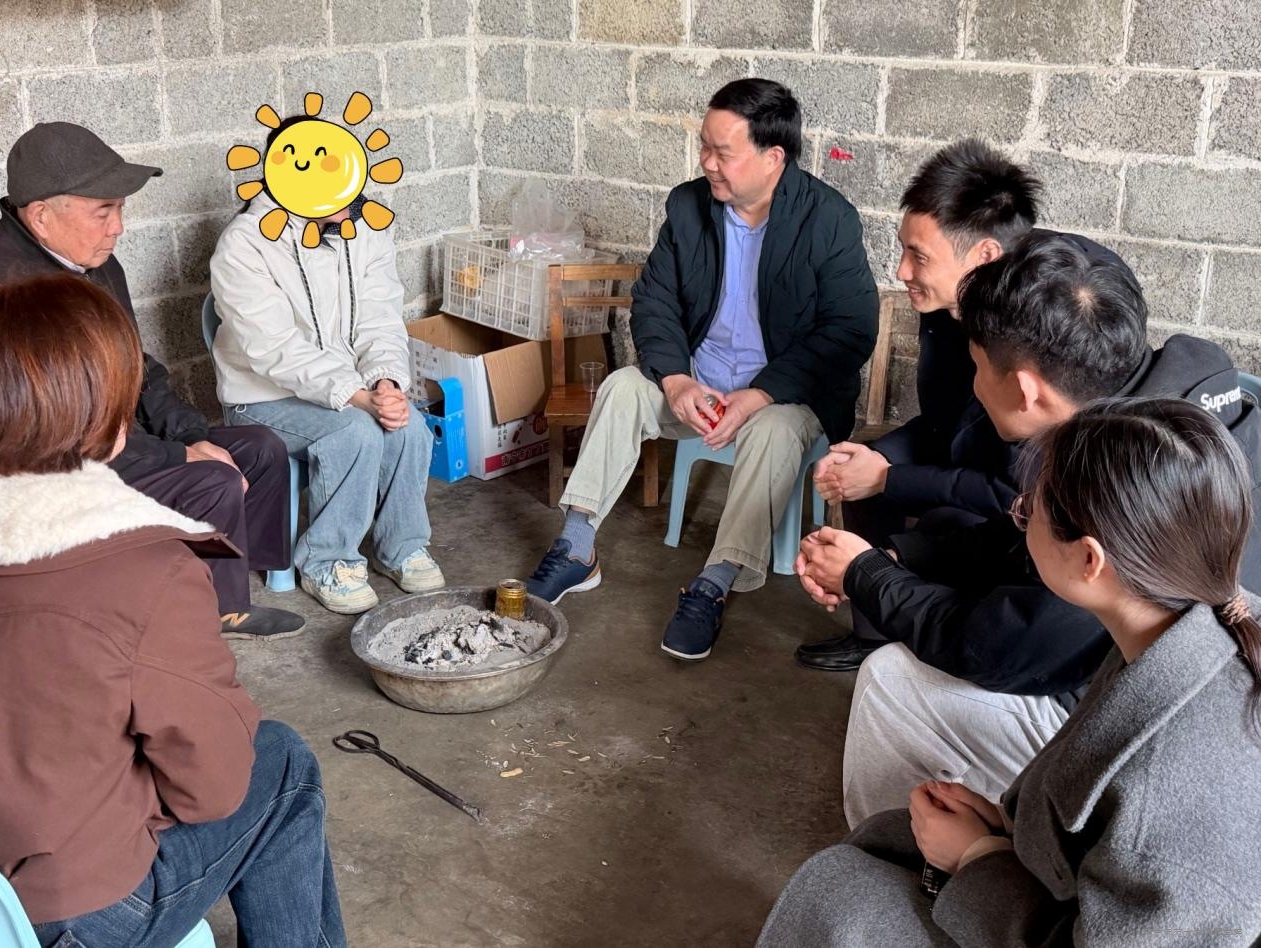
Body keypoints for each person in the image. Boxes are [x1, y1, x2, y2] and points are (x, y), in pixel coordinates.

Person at [0, 275, 345, 947]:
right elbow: (213, 789)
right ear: (111, 424)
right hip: (66, 916)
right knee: (281, 761)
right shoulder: (146, 571)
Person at [797, 233, 1261, 828]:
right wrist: (894, 559)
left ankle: (897, 853)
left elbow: (1001, 648)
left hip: (1149, 750)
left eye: (977, 367)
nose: (973, 385)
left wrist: (868, 576)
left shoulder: (1123, 497)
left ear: (1024, 390)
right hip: (1169, 682)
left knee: (889, 679)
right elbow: (1021, 534)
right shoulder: (1162, 418)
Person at [758, 398, 1261, 946]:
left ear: (1089, 560)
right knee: (883, 843)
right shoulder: (1187, 621)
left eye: (1027, 512)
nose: (1018, 520)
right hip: (1062, 887)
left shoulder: (1173, 797)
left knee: (838, 895)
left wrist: (979, 858)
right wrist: (1009, 833)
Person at [523, 78, 879, 660]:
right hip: (700, 386)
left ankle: (715, 581)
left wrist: (760, 394)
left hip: (783, 398)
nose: (707, 163)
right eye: (704, 148)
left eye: (722, 152)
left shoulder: (828, 219)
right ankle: (576, 546)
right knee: (622, 387)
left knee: (774, 430)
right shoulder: (688, 206)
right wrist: (676, 379)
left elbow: (850, 330)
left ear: (773, 157)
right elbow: (654, 301)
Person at [0, 121, 303, 641]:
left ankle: (229, 572)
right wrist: (178, 457)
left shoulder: (94, 263)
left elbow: (136, 364)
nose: (118, 228)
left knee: (259, 447)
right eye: (103, 212)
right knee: (212, 480)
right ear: (41, 216)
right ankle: (220, 610)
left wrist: (191, 434)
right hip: (56, 468)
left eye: (120, 209)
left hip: (121, 440)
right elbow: (53, 442)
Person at [801, 138, 1136, 672]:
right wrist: (879, 465)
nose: (901, 271)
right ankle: (873, 632)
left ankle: (913, 639)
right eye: (903, 250)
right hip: (975, 455)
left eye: (919, 256)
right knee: (862, 466)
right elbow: (943, 422)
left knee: (934, 515)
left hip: (1009, 489)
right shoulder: (949, 307)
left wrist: (890, 482)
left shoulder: (1037, 339)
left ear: (984, 257)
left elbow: (1011, 490)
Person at [209, 116, 443, 614]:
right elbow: (272, 349)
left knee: (410, 428)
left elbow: (380, 317)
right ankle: (325, 561)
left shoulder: (365, 228)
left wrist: (386, 383)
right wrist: (357, 399)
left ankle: (401, 547)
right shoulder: (244, 243)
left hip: (351, 386)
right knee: (354, 432)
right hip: (261, 397)